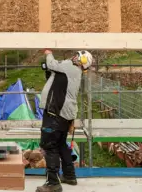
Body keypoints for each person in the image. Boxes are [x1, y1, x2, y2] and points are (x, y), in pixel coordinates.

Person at [36, 49, 93, 192]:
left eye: (78, 57)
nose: (74, 57)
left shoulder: (70, 67)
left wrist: (48, 52)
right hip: (65, 115)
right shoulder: (74, 71)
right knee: (61, 144)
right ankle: (69, 175)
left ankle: (53, 183)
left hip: (55, 113)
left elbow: (51, 63)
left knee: (50, 146)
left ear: (81, 61)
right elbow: (54, 72)